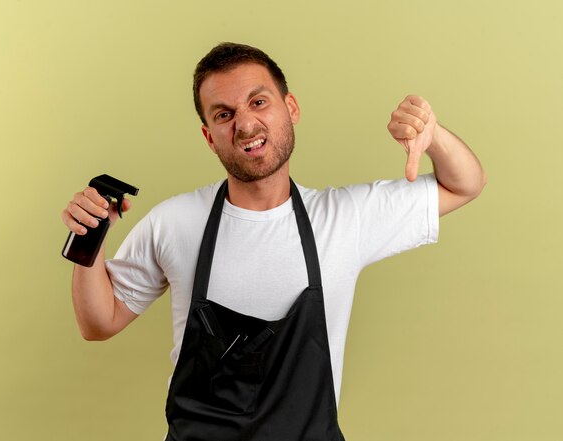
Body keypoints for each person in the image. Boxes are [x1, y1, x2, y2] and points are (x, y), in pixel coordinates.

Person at [61, 42, 486, 440]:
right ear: (209, 136)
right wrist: (87, 242)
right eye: (224, 115)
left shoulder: (345, 218)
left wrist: (435, 138)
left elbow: (464, 184)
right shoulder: (175, 222)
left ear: (291, 107)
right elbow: (99, 324)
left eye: (258, 102)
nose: (245, 124)